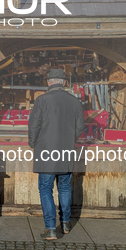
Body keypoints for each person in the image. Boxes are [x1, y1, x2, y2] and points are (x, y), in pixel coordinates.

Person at [28, 68, 85, 240]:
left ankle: (51, 227)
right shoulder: (75, 102)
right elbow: (80, 128)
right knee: (65, 187)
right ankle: (66, 224)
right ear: (64, 83)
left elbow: (33, 126)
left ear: (48, 82)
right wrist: (69, 141)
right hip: (66, 151)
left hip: (45, 151)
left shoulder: (42, 100)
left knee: (46, 188)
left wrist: (33, 143)